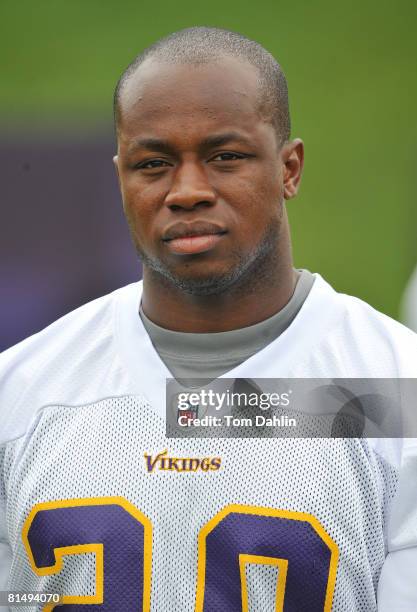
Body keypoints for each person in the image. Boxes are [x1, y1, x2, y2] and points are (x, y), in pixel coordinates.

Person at [0, 26, 416, 611]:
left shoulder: (398, 391)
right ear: (120, 177)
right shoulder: (19, 392)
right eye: (154, 163)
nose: (188, 190)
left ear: (289, 168)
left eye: (225, 157)